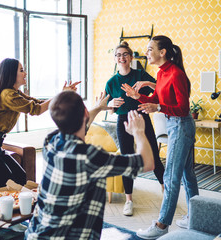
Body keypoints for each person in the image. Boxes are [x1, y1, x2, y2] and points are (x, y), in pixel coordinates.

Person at [25, 90, 155, 240]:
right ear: (85, 113)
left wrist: (98, 107)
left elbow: (80, 127)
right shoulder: (90, 157)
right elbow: (147, 163)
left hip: (35, 233)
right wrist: (139, 132)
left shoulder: (50, 141)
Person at [121, 35, 199, 239]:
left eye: (149, 49)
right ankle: (196, 217)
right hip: (176, 125)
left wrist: (158, 107)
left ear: (162, 52)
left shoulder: (176, 74)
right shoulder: (162, 73)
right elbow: (155, 99)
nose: (147, 53)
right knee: (187, 174)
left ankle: (162, 225)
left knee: (170, 176)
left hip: (181, 125)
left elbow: (183, 108)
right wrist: (138, 97)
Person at [0, 58, 80, 187]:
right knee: (6, 183)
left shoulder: (14, 93)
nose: (25, 73)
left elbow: (37, 103)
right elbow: (37, 110)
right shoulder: (8, 95)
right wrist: (61, 95)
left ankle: (18, 206)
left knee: (20, 177)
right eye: (21, 70)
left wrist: (62, 94)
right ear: (11, 74)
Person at [105, 41, 165, 216]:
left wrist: (147, 82)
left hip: (141, 117)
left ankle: (165, 192)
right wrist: (110, 104)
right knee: (126, 160)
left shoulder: (139, 73)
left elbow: (160, 88)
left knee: (154, 155)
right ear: (115, 59)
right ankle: (128, 200)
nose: (122, 57)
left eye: (125, 54)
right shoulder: (111, 82)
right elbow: (107, 107)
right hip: (123, 120)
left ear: (130, 57)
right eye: (118, 55)